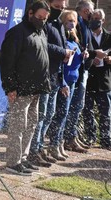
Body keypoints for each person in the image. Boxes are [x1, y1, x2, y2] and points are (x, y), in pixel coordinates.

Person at [0, 0, 51, 176]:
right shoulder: (16, 33)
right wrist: (10, 86)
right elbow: (6, 62)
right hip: (20, 89)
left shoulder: (41, 32)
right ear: (30, 13)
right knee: (18, 126)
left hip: (37, 88)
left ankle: (23, 158)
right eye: (39, 17)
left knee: (31, 125)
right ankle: (12, 163)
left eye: (45, 18)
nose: (42, 21)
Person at [28, 0, 74, 165]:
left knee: (48, 115)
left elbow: (61, 57)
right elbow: (40, 44)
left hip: (55, 77)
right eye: (56, 7)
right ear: (48, 4)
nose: (59, 10)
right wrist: (63, 52)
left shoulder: (59, 25)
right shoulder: (43, 23)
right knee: (40, 116)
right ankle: (33, 151)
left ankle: (39, 147)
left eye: (62, 8)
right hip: (43, 76)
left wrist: (62, 81)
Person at [63, 0, 107, 151]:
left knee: (77, 106)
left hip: (83, 70)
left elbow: (87, 47)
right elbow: (76, 45)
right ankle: (67, 138)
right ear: (82, 10)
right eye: (89, 10)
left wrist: (93, 54)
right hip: (75, 71)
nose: (92, 13)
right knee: (71, 106)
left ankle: (71, 137)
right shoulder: (77, 24)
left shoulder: (87, 25)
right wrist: (94, 54)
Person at [46, 10, 88, 159]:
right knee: (58, 113)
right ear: (63, 22)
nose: (71, 23)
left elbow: (74, 61)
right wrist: (63, 81)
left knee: (65, 113)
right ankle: (53, 144)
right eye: (68, 20)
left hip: (73, 80)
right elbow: (61, 64)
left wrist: (83, 56)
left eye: (74, 21)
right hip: (62, 81)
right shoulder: (61, 39)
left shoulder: (74, 39)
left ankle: (60, 143)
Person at [83, 9, 111, 150]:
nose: (95, 20)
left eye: (98, 18)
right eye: (93, 17)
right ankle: (90, 136)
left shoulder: (109, 36)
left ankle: (106, 139)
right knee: (87, 110)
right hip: (89, 79)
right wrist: (91, 59)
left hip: (104, 81)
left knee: (105, 112)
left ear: (103, 20)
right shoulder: (86, 34)